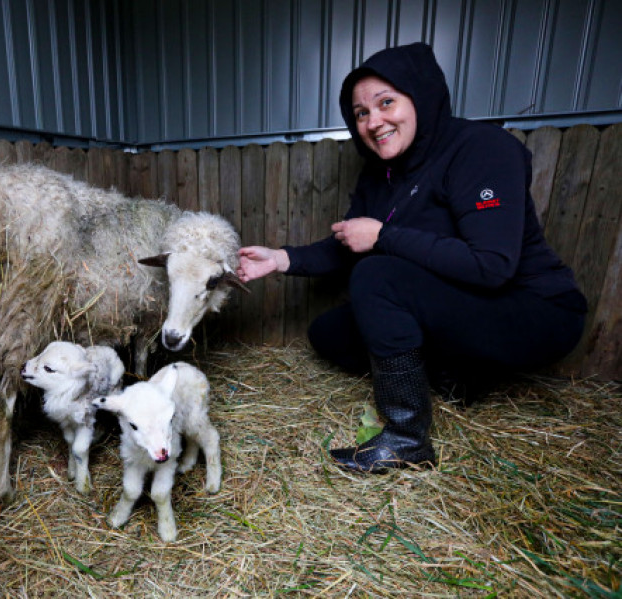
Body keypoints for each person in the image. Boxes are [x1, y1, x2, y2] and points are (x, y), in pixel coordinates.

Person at [237, 42, 586, 474]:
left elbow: (492, 266)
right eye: (361, 113)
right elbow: (350, 242)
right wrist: (280, 258)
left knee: (377, 275)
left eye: (386, 103)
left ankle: (406, 439)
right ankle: (459, 377)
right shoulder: (381, 173)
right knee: (330, 333)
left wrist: (384, 235)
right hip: (463, 305)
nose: (373, 121)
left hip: (536, 311)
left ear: (420, 97)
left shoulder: (480, 149)